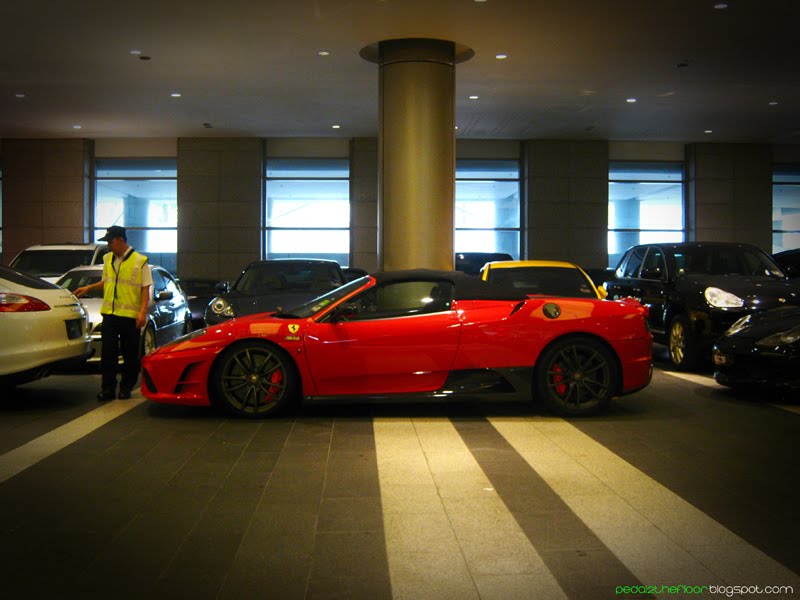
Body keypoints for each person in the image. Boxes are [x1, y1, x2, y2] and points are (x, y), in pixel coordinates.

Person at [74, 226, 152, 401]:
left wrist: (142, 312)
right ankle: (108, 389)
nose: (108, 245)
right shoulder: (107, 258)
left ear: (121, 241)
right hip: (109, 314)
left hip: (130, 316)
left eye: (111, 241)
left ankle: (126, 387)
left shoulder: (140, 261)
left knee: (130, 354)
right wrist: (89, 287)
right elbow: (107, 281)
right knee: (108, 354)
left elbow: (145, 288)